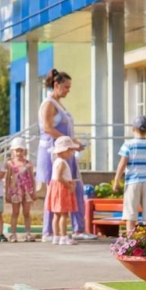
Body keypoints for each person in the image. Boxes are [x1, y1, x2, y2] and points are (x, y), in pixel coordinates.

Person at [37, 69, 94, 241]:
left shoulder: (59, 104)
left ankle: (78, 228)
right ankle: (49, 231)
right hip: (53, 153)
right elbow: (47, 128)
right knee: (54, 190)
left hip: (65, 152)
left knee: (75, 186)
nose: (68, 90)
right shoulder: (48, 104)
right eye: (66, 87)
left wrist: (74, 143)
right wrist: (69, 142)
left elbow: (65, 130)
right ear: (57, 85)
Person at [112, 115, 146, 236]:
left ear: (133, 128)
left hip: (133, 181)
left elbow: (123, 163)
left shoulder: (128, 145)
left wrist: (117, 180)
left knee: (131, 214)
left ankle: (131, 240)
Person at [45, 136, 82, 245]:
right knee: (64, 214)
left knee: (57, 215)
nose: (71, 153)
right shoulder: (61, 162)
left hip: (56, 188)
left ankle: (56, 236)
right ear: (64, 151)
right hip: (62, 189)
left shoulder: (57, 161)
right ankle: (64, 237)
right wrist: (69, 186)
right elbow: (59, 177)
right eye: (70, 150)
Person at [5, 138, 36, 242]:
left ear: (25, 151)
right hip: (15, 191)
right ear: (13, 151)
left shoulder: (28, 164)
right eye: (17, 150)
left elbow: (32, 178)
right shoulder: (10, 164)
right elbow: (7, 179)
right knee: (15, 212)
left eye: (21, 150)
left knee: (26, 212)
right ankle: (13, 234)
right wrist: (7, 192)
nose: (19, 153)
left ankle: (28, 233)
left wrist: (34, 191)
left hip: (27, 191)